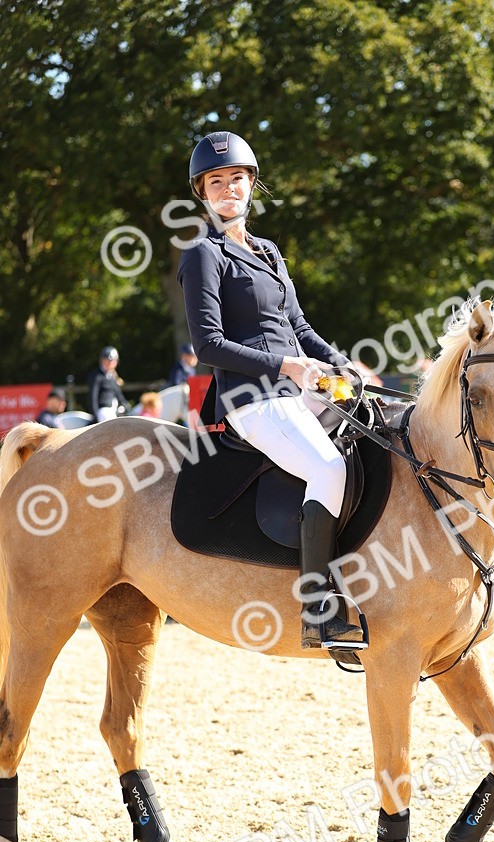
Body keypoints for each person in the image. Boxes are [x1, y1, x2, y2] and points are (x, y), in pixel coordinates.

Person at [178, 130, 363, 651]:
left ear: (251, 184)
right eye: (217, 181)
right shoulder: (202, 255)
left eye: (237, 178)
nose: (229, 188)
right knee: (329, 468)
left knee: (372, 435)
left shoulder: (268, 251)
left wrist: (341, 365)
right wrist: (287, 367)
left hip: (295, 390)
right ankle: (317, 607)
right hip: (251, 401)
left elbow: (298, 325)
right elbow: (208, 344)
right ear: (203, 193)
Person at [87, 347, 128, 422]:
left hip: (115, 410)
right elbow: (93, 397)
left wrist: (126, 406)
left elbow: (118, 394)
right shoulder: (97, 376)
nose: (110, 363)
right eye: (107, 361)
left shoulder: (112, 376)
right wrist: (95, 415)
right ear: (102, 360)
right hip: (103, 411)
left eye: (112, 361)